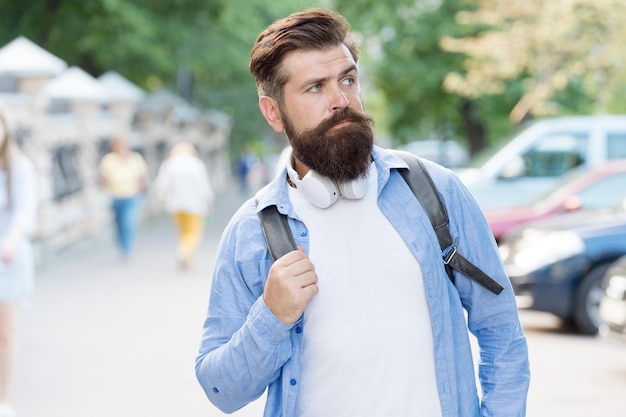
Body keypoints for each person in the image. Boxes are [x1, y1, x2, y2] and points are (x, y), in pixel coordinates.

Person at [195, 8, 530, 417]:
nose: (341, 101)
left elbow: (501, 330)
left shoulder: (435, 191)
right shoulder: (251, 231)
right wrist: (272, 316)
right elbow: (221, 391)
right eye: (315, 88)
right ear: (273, 112)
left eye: (348, 80)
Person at [0, 105, 38, 417]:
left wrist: (10, 243)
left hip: (7, 263)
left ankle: (3, 399)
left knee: (5, 333)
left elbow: (24, 213)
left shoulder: (18, 167)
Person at [154, 141, 214, 269]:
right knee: (193, 233)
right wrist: (208, 202)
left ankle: (187, 257)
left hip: (175, 206)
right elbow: (203, 186)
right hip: (195, 205)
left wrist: (164, 201)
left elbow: (162, 186)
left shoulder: (169, 164)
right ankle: (184, 253)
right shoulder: (196, 164)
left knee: (183, 232)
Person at [99, 137, 148, 260]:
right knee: (118, 223)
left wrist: (140, 190)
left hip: (131, 196)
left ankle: (126, 249)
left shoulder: (135, 158)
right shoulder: (109, 160)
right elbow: (103, 178)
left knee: (128, 222)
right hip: (115, 196)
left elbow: (142, 176)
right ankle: (121, 246)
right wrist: (106, 190)